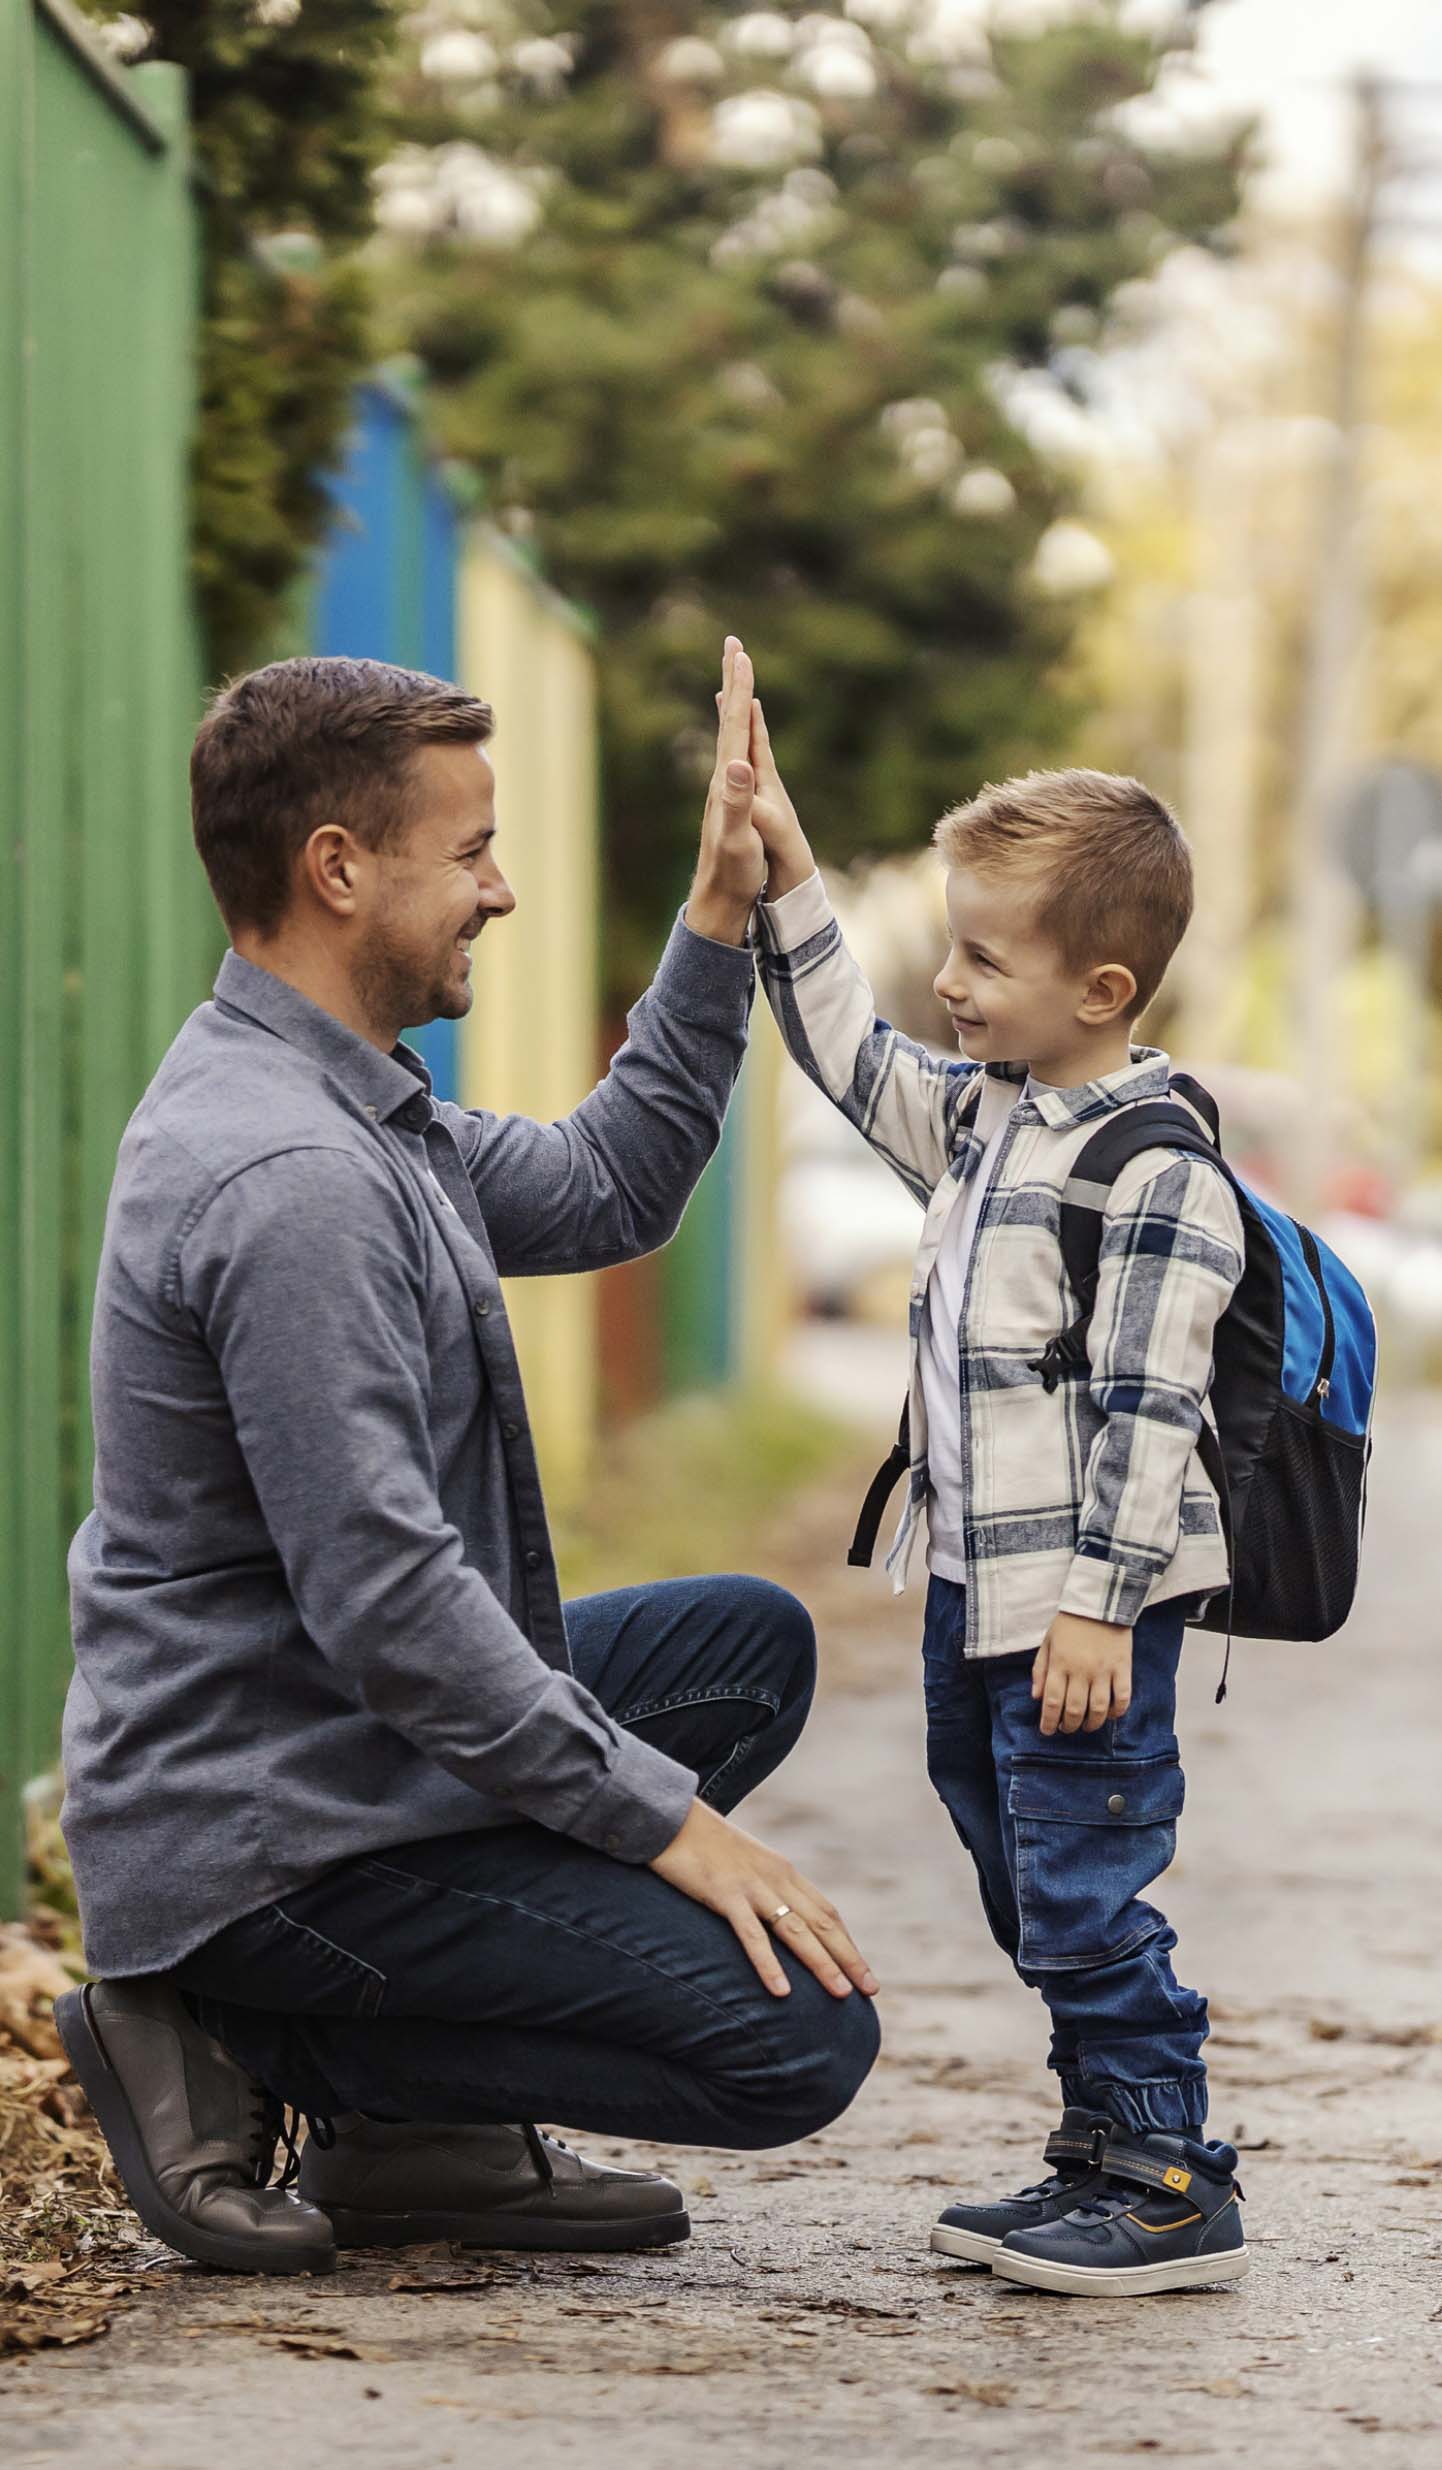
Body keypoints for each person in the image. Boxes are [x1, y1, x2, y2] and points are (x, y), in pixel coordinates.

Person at [55, 640, 879, 2279]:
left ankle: (410, 2141)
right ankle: (253, 2035)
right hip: (267, 1826)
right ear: (338, 870)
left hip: (337, 1742)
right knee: (794, 2042)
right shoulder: (288, 1177)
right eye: (475, 852)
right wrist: (664, 1824)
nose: (500, 892)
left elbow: (607, 1186)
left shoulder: (350, 1108)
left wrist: (719, 910)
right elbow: (388, 1601)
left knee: (741, 1647)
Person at [744, 703, 1250, 2298]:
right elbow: (840, 1048)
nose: (948, 986)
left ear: (1099, 990)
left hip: (1083, 1607)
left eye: (980, 961)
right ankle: (1100, 2146)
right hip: (977, 1587)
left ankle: (1172, 2176)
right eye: (950, 953)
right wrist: (786, 873)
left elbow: (1153, 1404)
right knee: (1026, 1871)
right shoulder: (984, 1117)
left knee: (1083, 1875)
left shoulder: (1149, 1169)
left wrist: (1102, 1601)